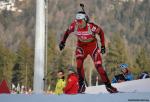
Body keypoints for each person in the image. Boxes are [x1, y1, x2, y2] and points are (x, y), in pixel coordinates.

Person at [59, 4, 117, 93]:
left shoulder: (91, 27)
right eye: (77, 21)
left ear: (85, 20)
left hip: (92, 47)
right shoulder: (74, 25)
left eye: (80, 21)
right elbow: (67, 32)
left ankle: (109, 86)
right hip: (81, 47)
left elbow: (101, 32)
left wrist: (103, 45)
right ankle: (82, 86)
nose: (79, 23)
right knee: (79, 64)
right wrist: (63, 42)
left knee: (99, 67)